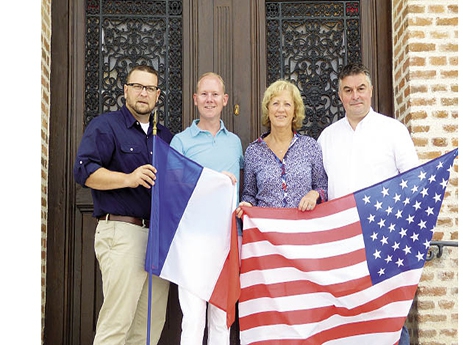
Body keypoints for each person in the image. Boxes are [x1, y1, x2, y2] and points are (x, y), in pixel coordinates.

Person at [317, 62, 418, 345]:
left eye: (361, 88)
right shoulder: (327, 137)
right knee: (348, 316)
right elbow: (321, 188)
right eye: (348, 90)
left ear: (370, 90)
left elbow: (412, 182)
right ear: (340, 95)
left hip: (384, 239)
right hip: (342, 244)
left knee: (390, 316)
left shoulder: (393, 130)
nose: (355, 96)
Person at [73, 65, 172, 345]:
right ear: (126, 90)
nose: (144, 93)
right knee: (117, 324)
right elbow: (85, 172)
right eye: (138, 86)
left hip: (158, 240)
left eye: (150, 88)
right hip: (122, 233)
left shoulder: (164, 137)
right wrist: (129, 178)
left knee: (148, 329)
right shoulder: (106, 126)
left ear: (157, 95)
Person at [169, 72, 244, 345]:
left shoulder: (234, 142)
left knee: (221, 318)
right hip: (192, 239)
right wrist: (215, 180)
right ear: (195, 99)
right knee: (192, 318)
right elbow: (175, 188)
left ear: (224, 100)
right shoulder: (181, 141)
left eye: (215, 95)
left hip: (226, 238)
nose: (209, 100)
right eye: (204, 94)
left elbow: (242, 188)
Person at [236, 79, 328, 215]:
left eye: (287, 104)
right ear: (268, 110)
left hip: (304, 229)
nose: (281, 109)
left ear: (295, 111)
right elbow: (249, 194)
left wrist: (314, 194)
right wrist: (247, 204)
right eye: (275, 103)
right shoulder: (254, 151)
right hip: (267, 231)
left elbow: (323, 188)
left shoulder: (310, 146)